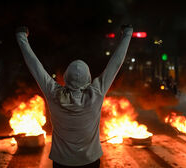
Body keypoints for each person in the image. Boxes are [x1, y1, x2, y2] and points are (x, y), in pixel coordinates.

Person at [16, 25, 133, 167]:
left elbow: (35, 66)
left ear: (66, 77)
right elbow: (115, 63)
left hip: (61, 163)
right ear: (88, 77)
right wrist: (127, 34)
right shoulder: (96, 93)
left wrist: (21, 37)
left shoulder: (54, 93)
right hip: (90, 161)